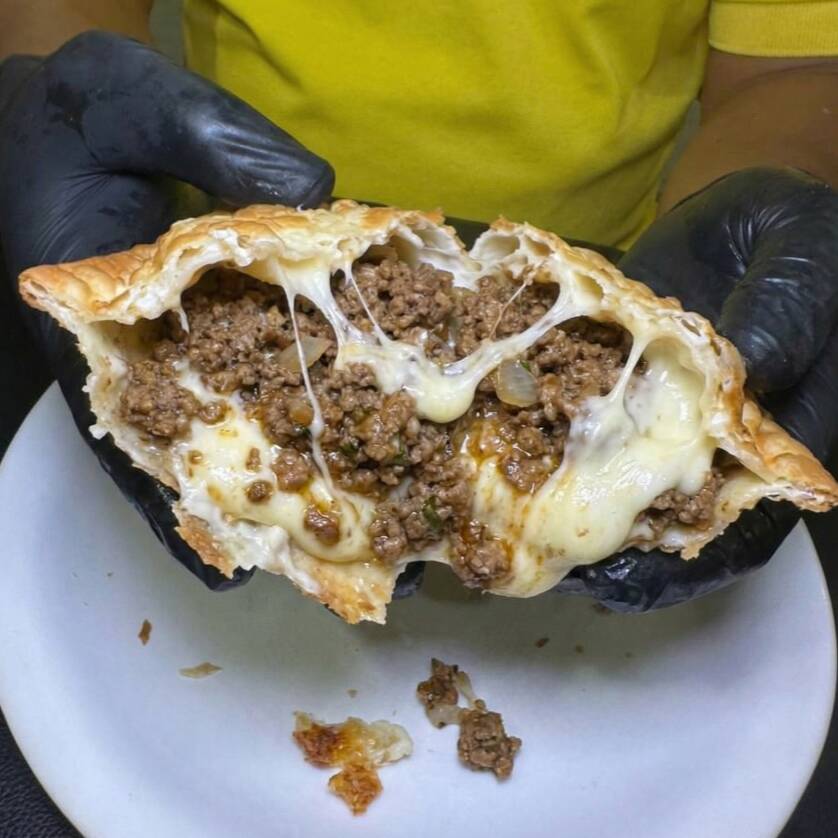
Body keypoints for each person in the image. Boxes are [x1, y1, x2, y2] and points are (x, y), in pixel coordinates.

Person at [0, 0, 837, 609]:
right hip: (232, 259)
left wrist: (767, 196)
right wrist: (45, 88)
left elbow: (795, 69)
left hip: (626, 279)